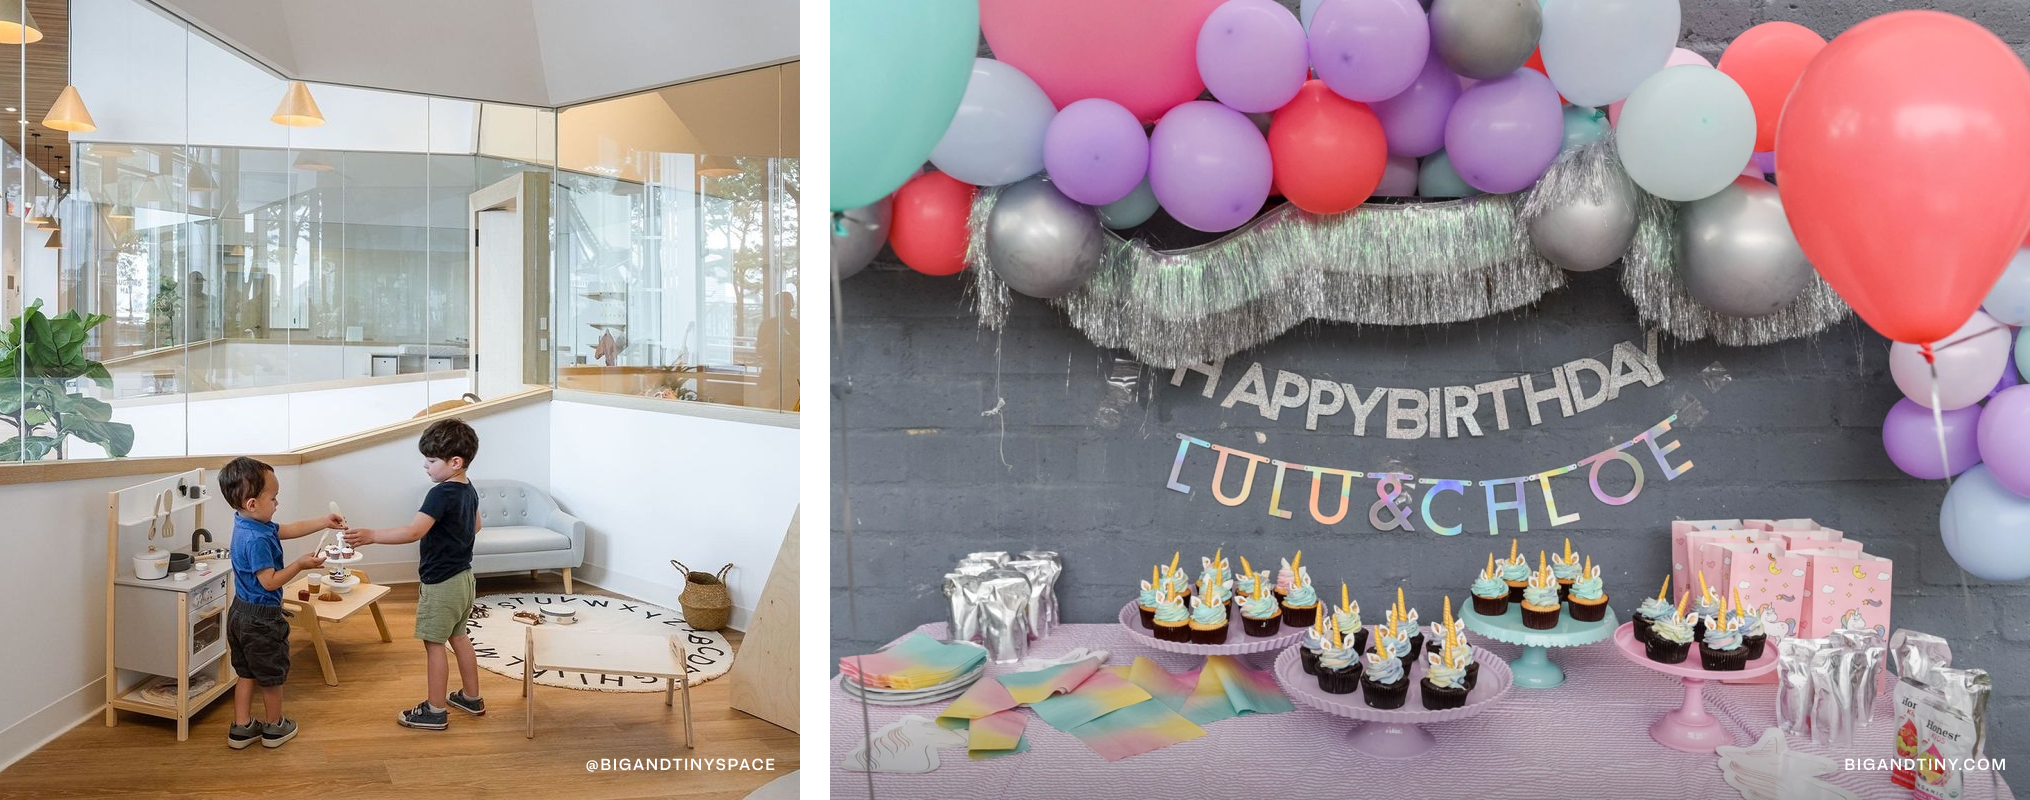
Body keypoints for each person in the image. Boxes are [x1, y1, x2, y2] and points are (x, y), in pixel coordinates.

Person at [342, 418, 484, 730]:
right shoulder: (468, 488)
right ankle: (471, 698)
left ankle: (434, 710)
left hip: (441, 584)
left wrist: (372, 534)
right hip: (464, 579)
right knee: (459, 637)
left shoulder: (440, 494)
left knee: (435, 645)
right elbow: (476, 526)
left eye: (432, 461)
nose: (425, 466)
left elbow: (413, 531)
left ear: (455, 462)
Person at [220, 455, 345, 749]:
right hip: (261, 619)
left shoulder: (247, 523)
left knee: (246, 672)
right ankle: (274, 728)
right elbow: (270, 581)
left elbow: (290, 528)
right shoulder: (258, 540)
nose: (277, 504)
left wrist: (323, 522)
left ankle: (241, 728)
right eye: (274, 498)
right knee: (271, 677)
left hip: (239, 613)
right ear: (253, 504)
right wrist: (301, 565)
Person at [754, 291, 800, 411]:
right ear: (776, 306)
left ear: (792, 305)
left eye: (786, 303)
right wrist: (770, 345)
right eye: (780, 303)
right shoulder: (766, 325)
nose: (783, 307)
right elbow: (758, 351)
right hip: (770, 375)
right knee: (769, 412)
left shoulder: (798, 326)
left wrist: (791, 346)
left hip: (792, 376)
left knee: (790, 412)